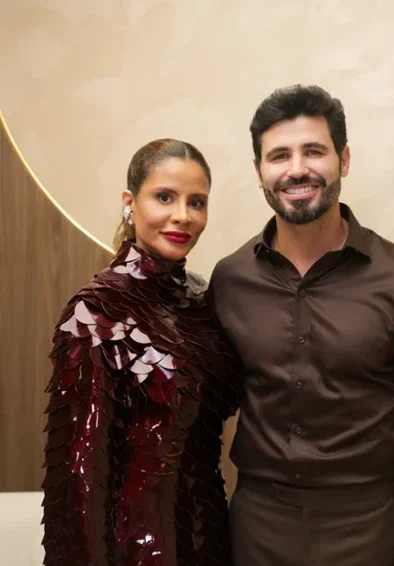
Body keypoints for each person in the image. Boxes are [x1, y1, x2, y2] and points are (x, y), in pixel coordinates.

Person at [208, 85, 394, 566]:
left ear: (343, 160)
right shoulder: (229, 280)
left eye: (314, 151)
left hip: (365, 529)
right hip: (255, 528)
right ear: (259, 171)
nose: (296, 169)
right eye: (279, 155)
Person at [41, 139, 241, 565]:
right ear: (130, 203)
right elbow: (79, 477)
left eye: (197, 202)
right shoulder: (95, 313)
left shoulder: (204, 298)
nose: (183, 215)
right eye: (164, 197)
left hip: (212, 538)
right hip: (136, 549)